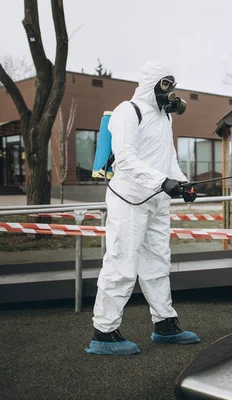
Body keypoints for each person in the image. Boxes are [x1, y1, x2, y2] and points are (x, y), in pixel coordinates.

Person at [86, 61, 200, 356]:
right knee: (121, 263)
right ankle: (105, 332)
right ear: (152, 83)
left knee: (158, 263)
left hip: (157, 201)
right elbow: (124, 158)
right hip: (129, 201)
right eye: (166, 84)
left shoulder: (165, 118)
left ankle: (164, 324)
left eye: (172, 85)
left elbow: (169, 157)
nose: (171, 91)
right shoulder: (128, 111)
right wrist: (162, 181)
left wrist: (182, 184)